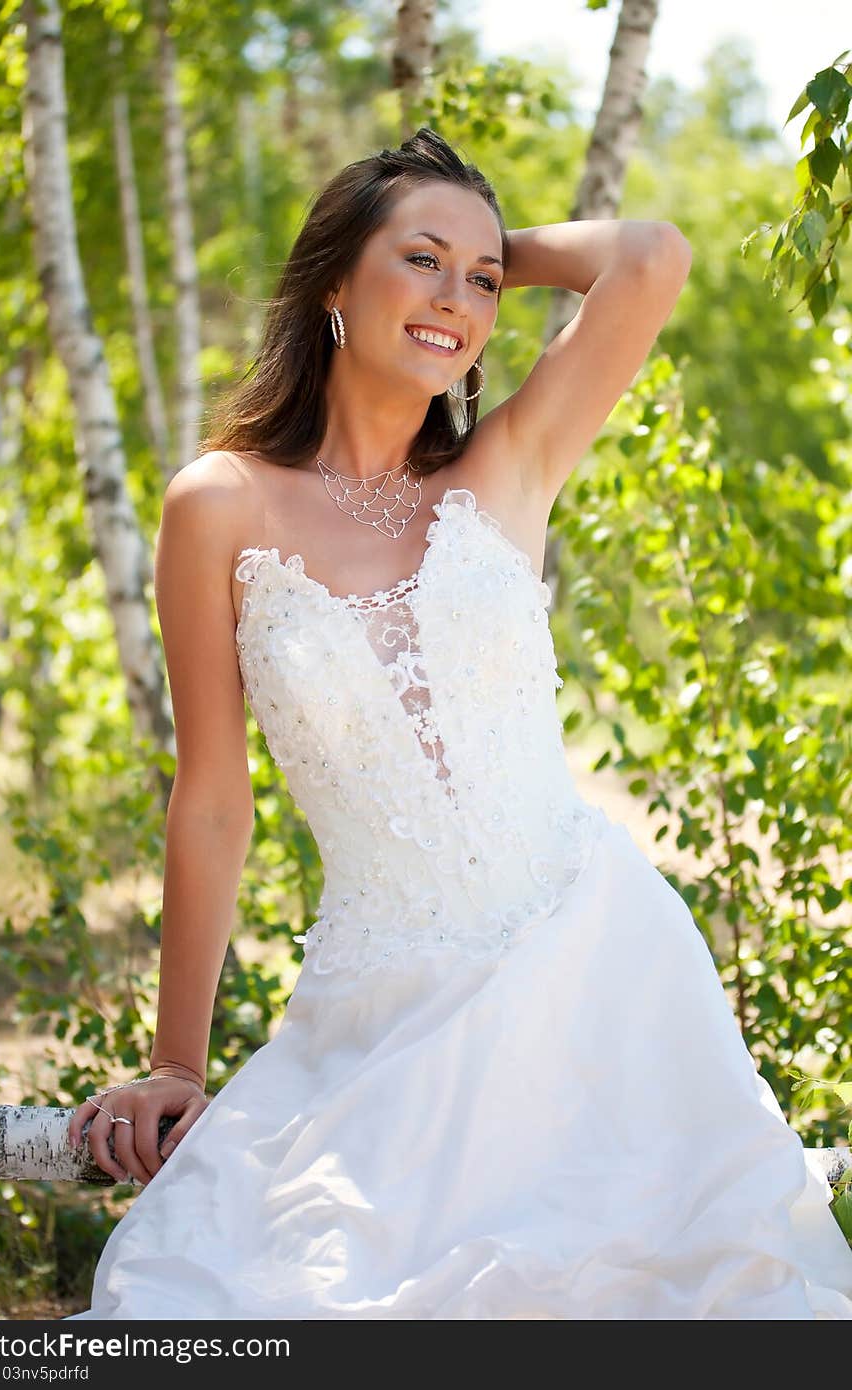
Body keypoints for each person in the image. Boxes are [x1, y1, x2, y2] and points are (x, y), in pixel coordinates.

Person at [65, 127, 852, 1320]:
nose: (456, 299)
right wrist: (177, 1060)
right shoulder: (218, 504)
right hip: (379, 1017)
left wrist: (477, 256)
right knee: (249, 1296)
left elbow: (648, 257)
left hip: (593, 969)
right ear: (332, 276)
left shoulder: (505, 465)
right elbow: (214, 796)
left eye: (480, 280)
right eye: (417, 262)